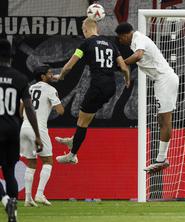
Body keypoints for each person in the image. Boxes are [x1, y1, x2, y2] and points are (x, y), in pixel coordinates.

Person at [54, 18, 130, 164]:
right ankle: (73, 141)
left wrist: (61, 76)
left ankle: (72, 154)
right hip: (110, 87)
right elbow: (124, 67)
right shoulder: (111, 44)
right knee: (86, 118)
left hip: (98, 86)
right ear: (97, 29)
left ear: (85, 30)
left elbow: (69, 66)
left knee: (82, 121)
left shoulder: (85, 44)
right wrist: (127, 79)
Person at [115, 23, 179, 174]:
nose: (120, 42)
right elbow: (137, 59)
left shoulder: (139, 38)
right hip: (161, 80)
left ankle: (161, 159)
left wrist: (121, 63)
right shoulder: (136, 41)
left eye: (120, 39)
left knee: (165, 120)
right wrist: (127, 76)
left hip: (165, 79)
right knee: (161, 120)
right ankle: (161, 159)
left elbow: (138, 56)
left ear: (125, 35)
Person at [0, 39, 43, 222]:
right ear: (11, 56)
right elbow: (29, 108)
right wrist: (38, 135)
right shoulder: (20, 78)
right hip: (12, 129)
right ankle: (14, 213)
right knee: (9, 172)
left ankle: (5, 200)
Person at [20, 65, 64, 207]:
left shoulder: (29, 88)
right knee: (48, 161)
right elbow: (61, 111)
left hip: (25, 127)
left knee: (31, 162)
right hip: (39, 128)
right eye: (49, 73)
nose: (52, 75)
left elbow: (21, 110)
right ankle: (39, 194)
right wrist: (54, 102)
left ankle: (27, 198)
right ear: (43, 76)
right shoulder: (51, 90)